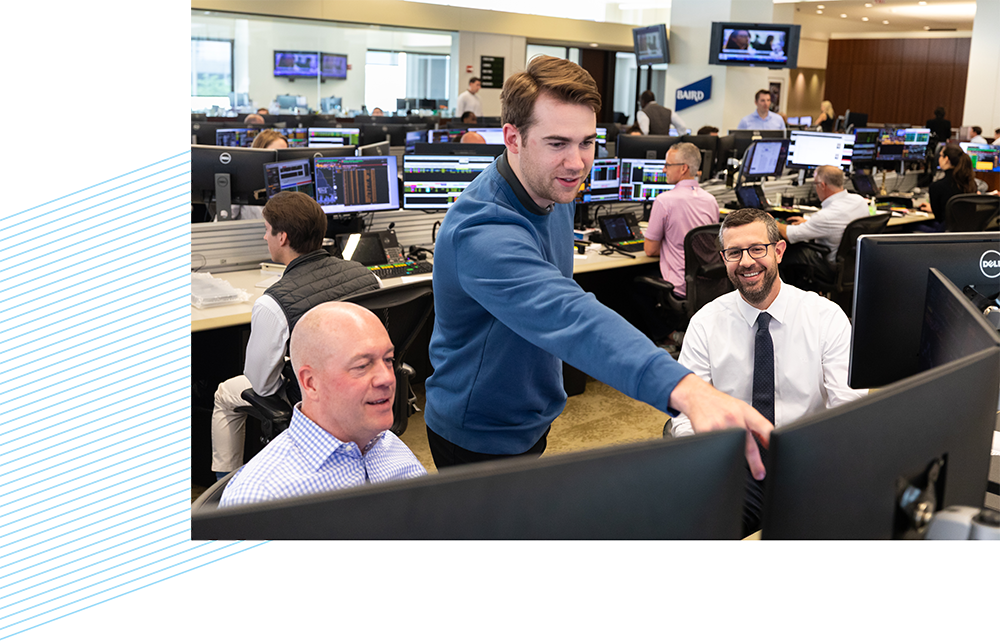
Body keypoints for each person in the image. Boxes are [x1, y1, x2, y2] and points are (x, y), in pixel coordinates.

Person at [424, 55, 772, 478]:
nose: (577, 163)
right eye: (557, 143)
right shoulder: (481, 230)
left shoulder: (551, 189)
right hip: (478, 430)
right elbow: (569, 315)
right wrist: (688, 389)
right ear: (512, 138)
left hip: (529, 413)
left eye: (586, 142)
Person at [669, 208, 867, 532]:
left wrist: (829, 465)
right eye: (734, 252)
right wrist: (704, 464)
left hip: (809, 461)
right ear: (724, 258)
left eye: (757, 249)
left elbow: (850, 408)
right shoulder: (705, 323)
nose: (746, 262)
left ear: (778, 251)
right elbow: (685, 414)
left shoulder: (825, 317)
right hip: (733, 464)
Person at [210, 192, 380, 480]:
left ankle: (226, 488)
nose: (265, 237)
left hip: (316, 400)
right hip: (366, 390)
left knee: (225, 394)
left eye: (267, 230)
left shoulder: (274, 303)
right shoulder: (366, 277)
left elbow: (261, 386)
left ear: (283, 237)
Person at [219, 302, 427, 507]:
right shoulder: (262, 497)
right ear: (311, 383)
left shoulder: (386, 443)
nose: (387, 379)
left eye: (388, 359)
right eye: (362, 365)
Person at [643, 142, 720, 297]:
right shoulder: (711, 200)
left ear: (683, 168)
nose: (664, 169)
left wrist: (671, 246)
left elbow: (650, 250)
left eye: (668, 165)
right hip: (708, 288)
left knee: (628, 291)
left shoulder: (664, 201)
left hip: (679, 288)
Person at [776, 165, 869, 262]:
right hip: (852, 264)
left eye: (815, 183)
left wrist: (773, 222)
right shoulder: (859, 201)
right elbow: (838, 223)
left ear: (822, 185)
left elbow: (790, 234)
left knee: (787, 251)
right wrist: (809, 223)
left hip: (829, 265)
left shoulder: (825, 217)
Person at [918, 144, 978, 229]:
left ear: (946, 159)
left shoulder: (937, 187)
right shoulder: (971, 184)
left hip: (945, 235)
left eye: (941, 156)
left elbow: (939, 218)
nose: (939, 158)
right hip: (964, 233)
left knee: (909, 227)